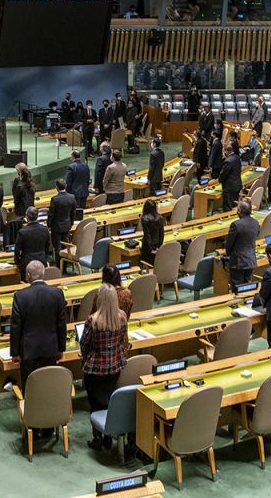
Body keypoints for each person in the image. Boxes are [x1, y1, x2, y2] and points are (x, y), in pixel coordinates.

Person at [81, 283, 129, 449]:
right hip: (114, 367)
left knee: (95, 405)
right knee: (108, 401)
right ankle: (109, 434)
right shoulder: (122, 317)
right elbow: (122, 340)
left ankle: (98, 438)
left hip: (94, 370)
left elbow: (84, 344)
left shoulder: (92, 321)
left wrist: (86, 360)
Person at [10, 261, 68, 392]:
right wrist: (61, 348)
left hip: (28, 350)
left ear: (28, 275)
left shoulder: (20, 296)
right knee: (48, 386)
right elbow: (61, 324)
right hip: (51, 347)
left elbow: (15, 327)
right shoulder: (57, 293)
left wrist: (15, 352)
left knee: (30, 388)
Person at [224, 200, 258, 286]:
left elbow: (229, 244)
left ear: (239, 211)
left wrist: (228, 254)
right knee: (248, 286)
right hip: (251, 260)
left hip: (238, 262)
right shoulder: (255, 222)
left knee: (237, 287)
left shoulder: (236, 225)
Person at [46, 179, 76, 259]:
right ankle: (64, 266)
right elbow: (73, 213)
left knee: (57, 247)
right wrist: (71, 223)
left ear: (56, 188)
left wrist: (48, 225)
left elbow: (51, 214)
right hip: (67, 225)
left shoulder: (55, 199)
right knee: (65, 246)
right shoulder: (72, 197)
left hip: (56, 227)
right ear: (66, 186)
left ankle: (59, 266)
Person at [11, 164, 36, 246]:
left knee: (22, 230)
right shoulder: (31, 183)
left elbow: (16, 198)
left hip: (21, 211)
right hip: (31, 209)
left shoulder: (19, 185)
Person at [139, 198, 166, 266]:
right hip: (157, 245)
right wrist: (159, 247)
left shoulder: (144, 218)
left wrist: (150, 250)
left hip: (148, 248)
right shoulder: (160, 217)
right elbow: (161, 234)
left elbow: (147, 235)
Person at [218, 145, 243, 212]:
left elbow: (223, 173)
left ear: (226, 151)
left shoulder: (228, 161)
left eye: (224, 151)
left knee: (228, 208)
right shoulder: (237, 157)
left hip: (229, 187)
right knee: (234, 205)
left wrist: (219, 180)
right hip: (237, 185)